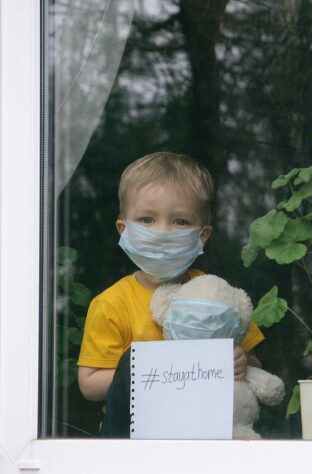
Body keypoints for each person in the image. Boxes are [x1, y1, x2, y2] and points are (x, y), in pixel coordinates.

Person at [77, 151, 264, 405]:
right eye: (147, 219)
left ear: (203, 235)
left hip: (205, 432)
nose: (162, 232)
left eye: (180, 221)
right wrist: (162, 368)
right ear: (124, 229)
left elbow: (253, 363)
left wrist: (241, 361)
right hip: (131, 439)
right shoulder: (111, 304)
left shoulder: (217, 295)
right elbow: (89, 384)